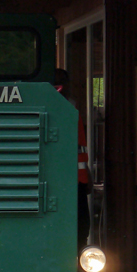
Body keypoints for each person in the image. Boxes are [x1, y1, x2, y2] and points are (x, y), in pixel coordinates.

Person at [54, 69, 92, 252]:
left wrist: (87, 175)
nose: (61, 87)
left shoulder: (71, 109)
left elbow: (79, 148)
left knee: (81, 225)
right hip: (60, 181)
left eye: (62, 82)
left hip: (77, 180)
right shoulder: (57, 108)